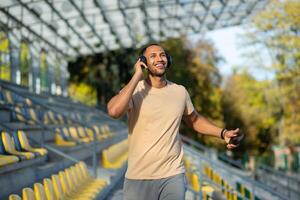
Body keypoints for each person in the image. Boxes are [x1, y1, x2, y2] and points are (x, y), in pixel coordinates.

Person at [107, 43, 241, 200]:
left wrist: (222, 133)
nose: (159, 59)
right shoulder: (135, 90)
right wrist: (136, 76)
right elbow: (114, 111)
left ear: (168, 60)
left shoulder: (180, 91)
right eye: (153, 56)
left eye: (162, 55)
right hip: (138, 176)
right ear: (143, 62)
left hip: (172, 174)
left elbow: (195, 120)